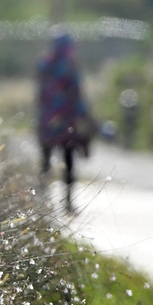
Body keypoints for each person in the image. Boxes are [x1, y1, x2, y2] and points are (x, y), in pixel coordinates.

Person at [37, 31, 88, 212]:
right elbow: (76, 95)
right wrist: (84, 116)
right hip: (66, 122)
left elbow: (41, 95)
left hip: (46, 121)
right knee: (68, 161)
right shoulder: (68, 67)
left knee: (46, 162)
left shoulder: (44, 65)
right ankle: (67, 202)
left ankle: (41, 202)